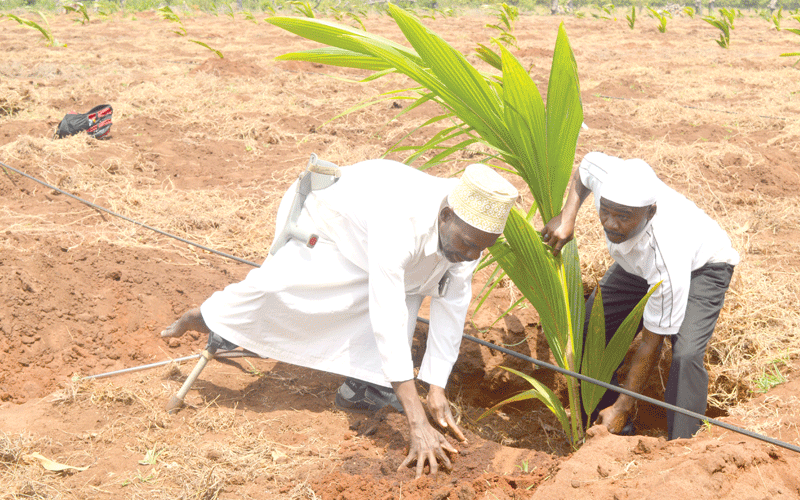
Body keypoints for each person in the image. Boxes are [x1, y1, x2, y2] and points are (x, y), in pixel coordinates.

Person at [161, 159, 518, 476]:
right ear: (444, 216)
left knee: (407, 297)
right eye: (467, 244)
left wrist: (436, 388)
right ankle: (210, 317)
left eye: (480, 248)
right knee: (279, 291)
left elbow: (452, 311)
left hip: (380, 246)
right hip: (327, 220)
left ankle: (363, 387)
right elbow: (386, 316)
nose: (471, 254)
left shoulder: (469, 235)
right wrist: (417, 422)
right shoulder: (402, 219)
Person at [541, 151, 739, 440]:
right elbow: (584, 169)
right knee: (590, 332)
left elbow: (650, 343)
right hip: (635, 265)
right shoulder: (608, 178)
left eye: (623, 217)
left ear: (650, 212)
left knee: (685, 355)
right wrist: (567, 216)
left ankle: (682, 445)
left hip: (702, 267)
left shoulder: (666, 253)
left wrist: (625, 405)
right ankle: (609, 431)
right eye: (605, 211)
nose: (610, 223)